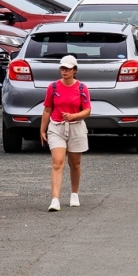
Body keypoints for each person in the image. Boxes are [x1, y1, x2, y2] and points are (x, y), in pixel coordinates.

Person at [39, 55, 91, 212]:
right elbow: (47, 109)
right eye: (62, 68)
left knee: (75, 163)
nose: (64, 71)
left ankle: (74, 193)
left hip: (76, 127)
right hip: (57, 126)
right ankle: (55, 199)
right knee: (57, 162)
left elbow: (87, 111)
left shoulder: (82, 88)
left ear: (75, 70)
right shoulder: (53, 87)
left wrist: (73, 116)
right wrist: (42, 129)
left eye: (68, 69)